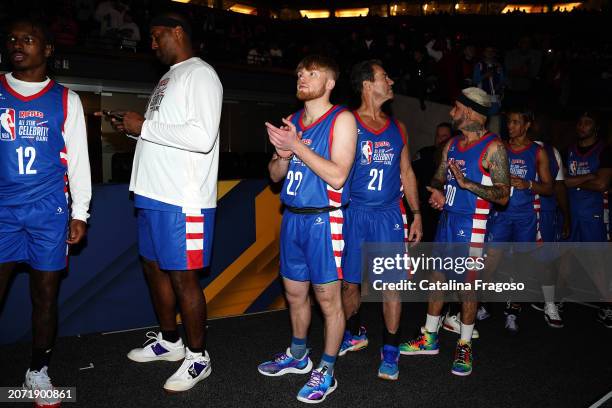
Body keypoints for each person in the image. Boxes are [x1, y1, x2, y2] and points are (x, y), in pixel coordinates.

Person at [100, 13, 223, 392]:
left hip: (182, 198)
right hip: (154, 194)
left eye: (156, 36)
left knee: (183, 276)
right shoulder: (169, 77)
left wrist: (144, 126)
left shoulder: (200, 73)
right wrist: (136, 133)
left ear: (178, 32)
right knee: (155, 269)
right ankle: (171, 341)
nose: (151, 44)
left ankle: (198, 357)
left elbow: (202, 136)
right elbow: (168, 136)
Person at [0, 18, 91, 407]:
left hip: (48, 211)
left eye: (29, 38)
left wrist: (81, 212)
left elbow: (80, 163)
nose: (18, 44)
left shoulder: (67, 99)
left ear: (48, 49)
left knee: (45, 297)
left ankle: (38, 372)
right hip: (2, 210)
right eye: (13, 39)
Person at [257, 55, 357, 403]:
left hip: (324, 219)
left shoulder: (341, 118)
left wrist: (297, 144)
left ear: (329, 83)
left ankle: (326, 370)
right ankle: (299, 355)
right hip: (293, 219)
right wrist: (282, 153)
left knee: (329, 301)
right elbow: (273, 176)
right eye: (300, 72)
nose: (302, 77)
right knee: (295, 294)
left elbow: (338, 174)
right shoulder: (295, 120)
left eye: (311, 73)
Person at [399, 87, 510, 376]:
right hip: (448, 222)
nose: (452, 112)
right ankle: (430, 337)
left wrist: (468, 184)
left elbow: (503, 195)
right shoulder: (452, 145)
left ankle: (464, 344)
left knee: (467, 286)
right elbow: (439, 175)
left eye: (456, 108)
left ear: (472, 112)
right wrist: (437, 190)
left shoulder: (494, 148)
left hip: (473, 225)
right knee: (437, 278)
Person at [339, 60, 422, 381]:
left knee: (392, 286)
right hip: (353, 213)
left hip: (388, 216)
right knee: (350, 282)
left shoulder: (397, 127)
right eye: (383, 76)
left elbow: (407, 172)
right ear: (367, 85)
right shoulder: (346, 123)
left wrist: (416, 215)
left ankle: (390, 349)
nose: (390, 80)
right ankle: (354, 331)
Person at [479, 108, 554, 333]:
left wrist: (528, 184)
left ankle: (513, 310)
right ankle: (483, 304)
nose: (509, 126)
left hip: (525, 217)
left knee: (521, 265)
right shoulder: (499, 147)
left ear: (526, 125)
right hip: (500, 215)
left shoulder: (538, 152)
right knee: (490, 261)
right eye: (508, 122)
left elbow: (549, 188)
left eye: (514, 122)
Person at [562, 112, 612, 328]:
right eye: (580, 122)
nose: (582, 126)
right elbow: (562, 181)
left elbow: (602, 184)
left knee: (597, 262)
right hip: (571, 212)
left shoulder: (606, 151)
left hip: (594, 213)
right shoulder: (569, 150)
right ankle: (557, 299)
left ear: (596, 127)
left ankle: (608, 305)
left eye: (588, 123)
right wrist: (587, 178)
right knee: (564, 255)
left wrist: (574, 182)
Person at [412, 122, 453, 242]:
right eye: (438, 135)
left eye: (444, 136)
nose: (440, 139)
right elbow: (411, 175)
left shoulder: (454, 156)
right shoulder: (424, 153)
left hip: (443, 209)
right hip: (424, 208)